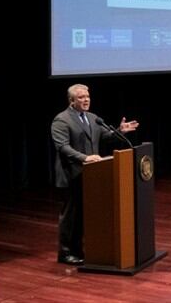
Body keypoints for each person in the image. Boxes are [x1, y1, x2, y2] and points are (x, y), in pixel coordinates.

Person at [51, 84, 139, 266]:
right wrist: (85, 158)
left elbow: (105, 136)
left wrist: (120, 131)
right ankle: (65, 253)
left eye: (87, 96)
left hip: (91, 176)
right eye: (81, 97)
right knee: (71, 216)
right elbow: (63, 147)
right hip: (72, 175)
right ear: (72, 101)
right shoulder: (61, 120)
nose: (86, 100)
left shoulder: (92, 118)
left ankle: (80, 249)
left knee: (84, 215)